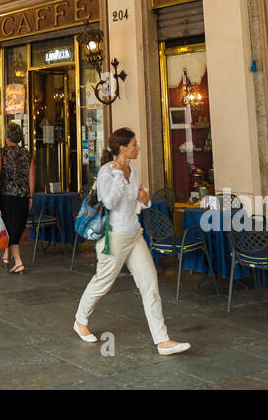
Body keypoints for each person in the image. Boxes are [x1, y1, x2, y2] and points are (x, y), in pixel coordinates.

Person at [73, 128, 190, 356]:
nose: (138, 148)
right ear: (123, 148)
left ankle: (162, 340)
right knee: (103, 283)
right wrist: (118, 176)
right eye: (135, 144)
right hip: (113, 237)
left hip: (135, 235)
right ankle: (80, 320)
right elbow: (109, 202)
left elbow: (138, 201)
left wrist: (145, 199)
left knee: (150, 285)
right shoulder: (108, 172)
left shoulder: (133, 171)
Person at [0, 123, 34, 274]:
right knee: (15, 226)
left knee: (10, 229)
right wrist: (30, 196)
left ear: (6, 137)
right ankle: (6, 254)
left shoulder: (1, 153)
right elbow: (31, 177)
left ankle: (18, 261)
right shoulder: (27, 153)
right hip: (23, 196)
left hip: (6, 196)